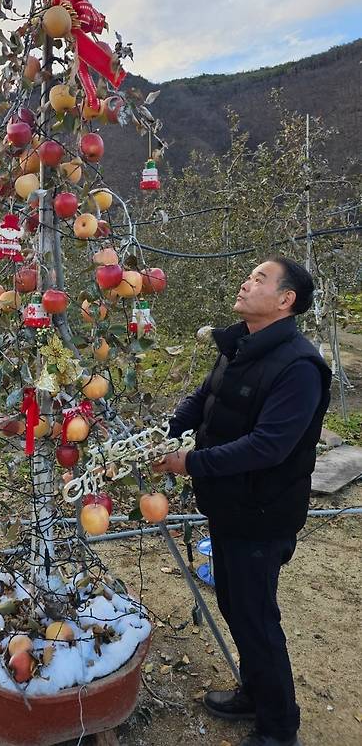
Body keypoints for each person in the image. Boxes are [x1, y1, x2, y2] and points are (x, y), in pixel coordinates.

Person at [153, 257, 331, 746]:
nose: (246, 283)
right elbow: (204, 398)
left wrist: (190, 462)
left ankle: (279, 729)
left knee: (256, 617)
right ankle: (255, 692)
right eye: (249, 276)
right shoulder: (240, 345)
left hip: (264, 512)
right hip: (230, 504)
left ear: (286, 299)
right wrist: (164, 432)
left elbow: (269, 446)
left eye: (259, 279)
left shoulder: (299, 367)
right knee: (235, 605)